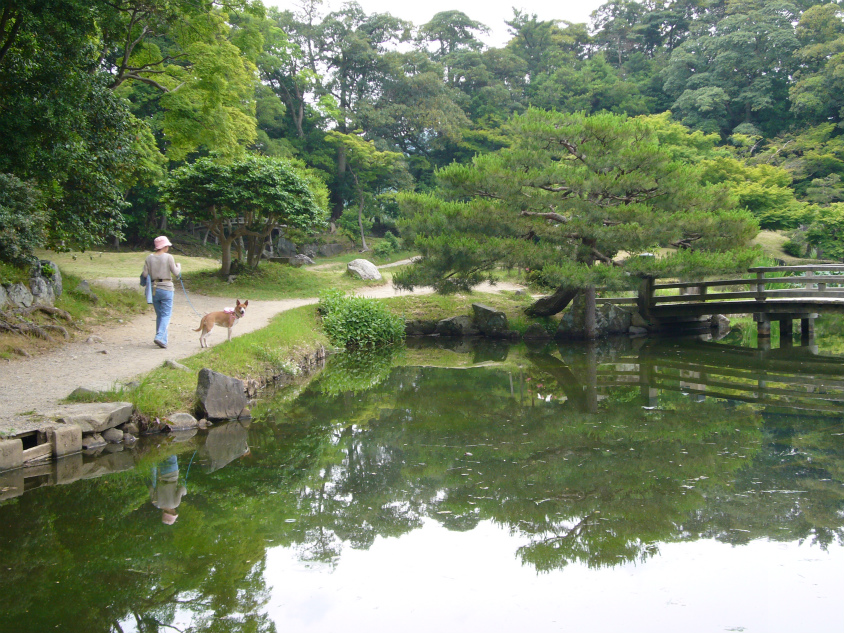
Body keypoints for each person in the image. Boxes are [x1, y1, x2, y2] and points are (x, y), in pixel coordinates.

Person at [141, 235, 181, 349]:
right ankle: (160, 336)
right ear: (164, 246)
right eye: (167, 245)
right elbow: (176, 273)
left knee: (160, 315)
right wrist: (179, 266)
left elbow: (145, 274)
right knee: (166, 314)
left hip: (154, 289)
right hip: (167, 288)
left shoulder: (149, 258)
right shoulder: (168, 257)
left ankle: (162, 339)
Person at [148, 455, 187, 525]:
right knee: (159, 453)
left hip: (172, 473)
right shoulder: (155, 503)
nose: (175, 511)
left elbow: (181, 489)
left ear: (172, 513)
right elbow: (151, 488)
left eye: (174, 513)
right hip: (160, 473)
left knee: (170, 452)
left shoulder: (175, 504)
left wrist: (185, 492)